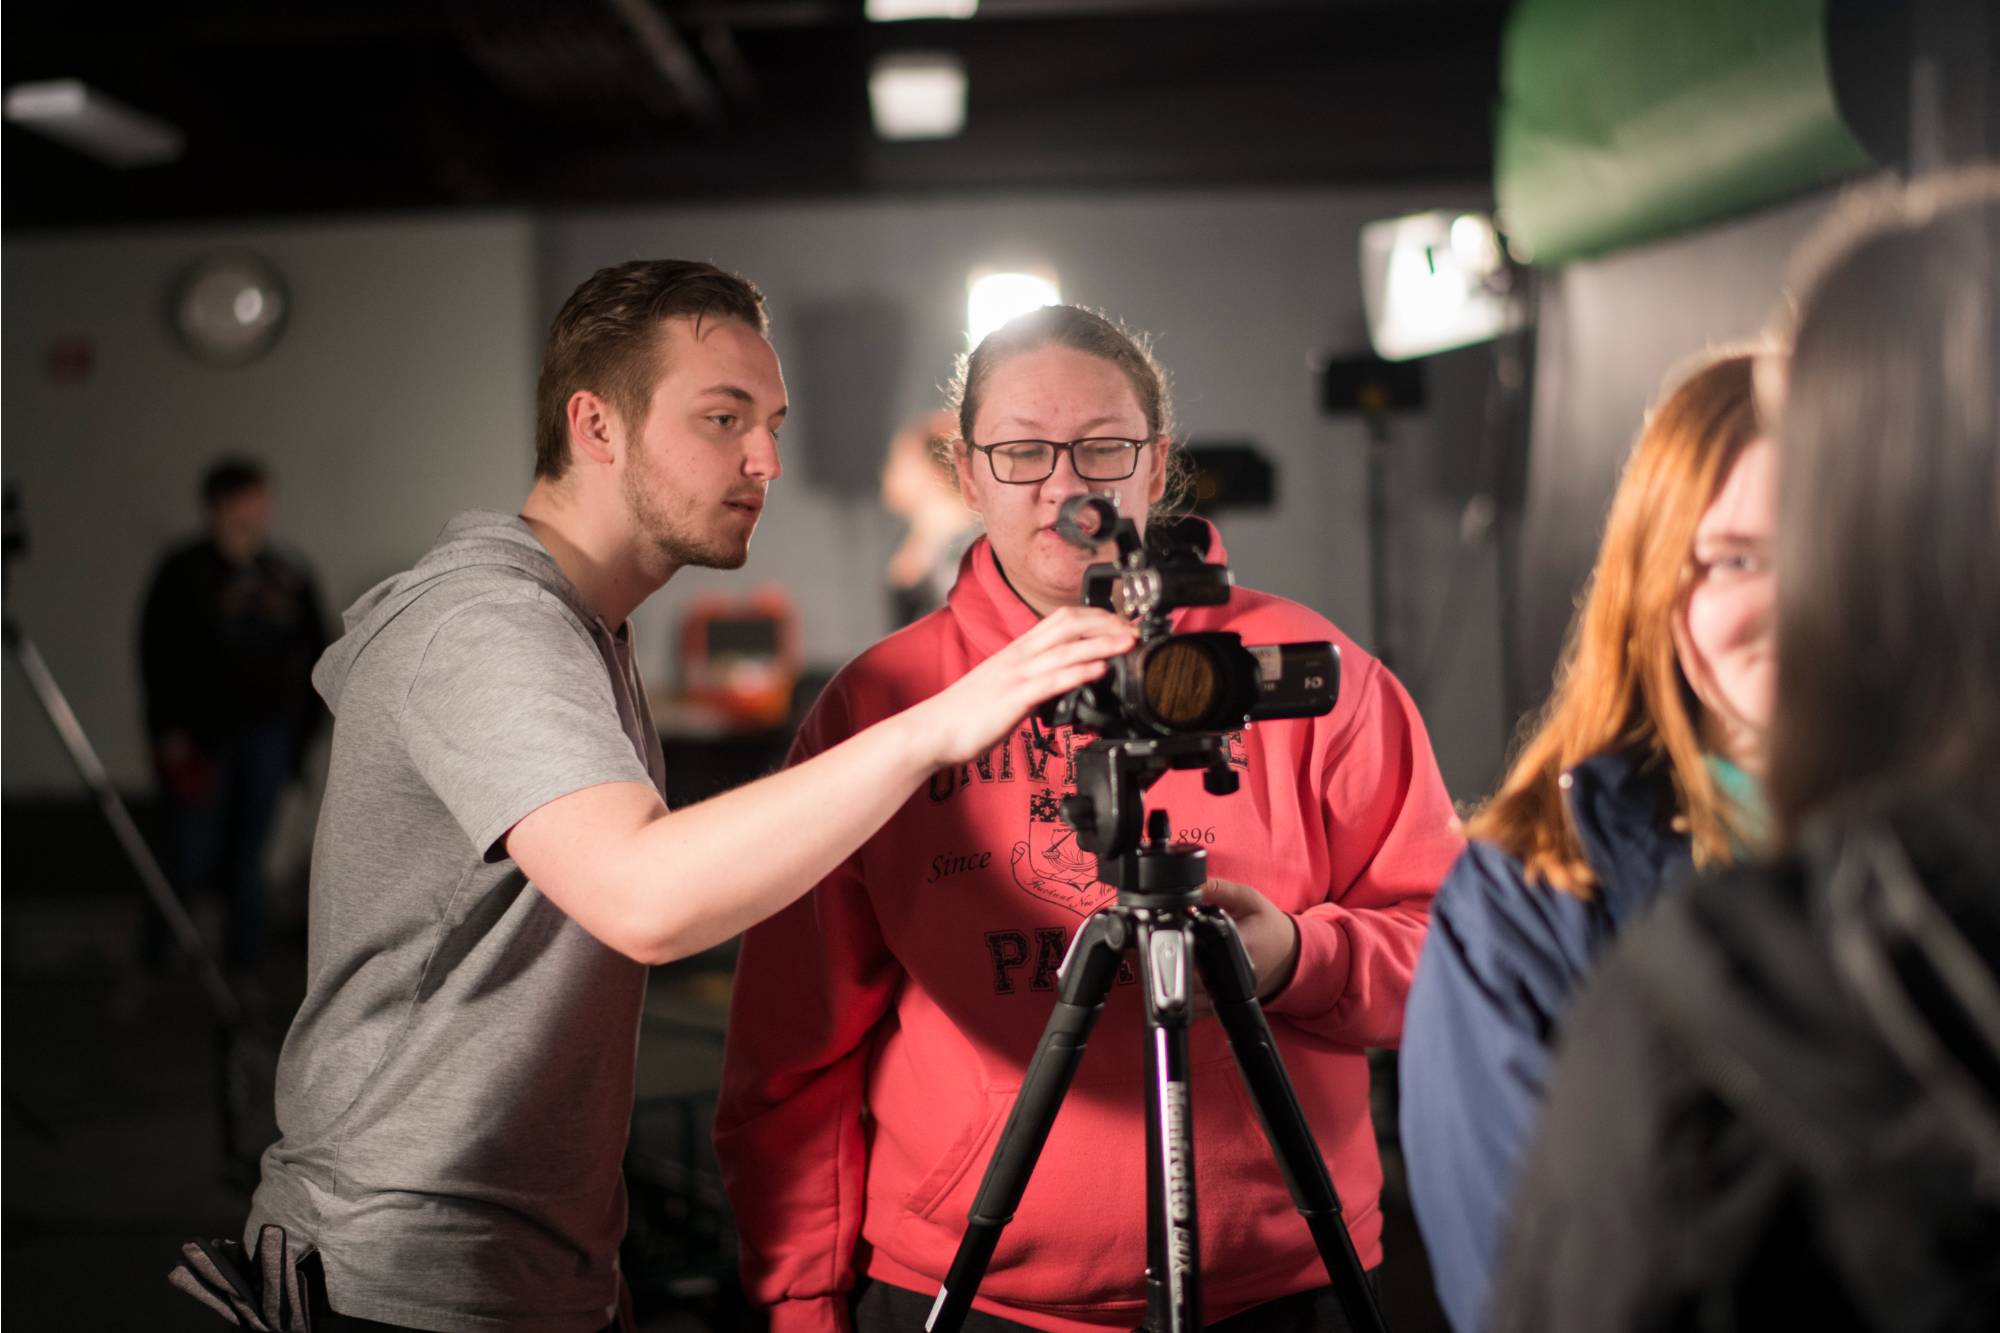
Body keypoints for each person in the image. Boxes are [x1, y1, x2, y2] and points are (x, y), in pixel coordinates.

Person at [233, 262, 1135, 1333]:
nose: (766, 459)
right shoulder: (483, 623)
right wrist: (946, 717)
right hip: (407, 1278)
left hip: (535, 1266)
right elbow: (648, 898)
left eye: (773, 423)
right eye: (722, 417)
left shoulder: (584, 625)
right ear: (596, 425)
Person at [715, 304, 1463, 1333]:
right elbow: (791, 1049)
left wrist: (1294, 957)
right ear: (966, 473)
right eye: (1021, 452)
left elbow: (1451, 965)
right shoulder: (884, 706)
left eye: (1101, 447)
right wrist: (799, 1305)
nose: (1065, 486)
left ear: (1154, 466)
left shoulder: (1312, 679)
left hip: (1279, 1286)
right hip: (969, 1288)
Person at [1491, 173, 2000, 1332]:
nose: (1762, 595)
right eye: (1725, 558)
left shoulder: (1724, 999)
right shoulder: (1543, 893)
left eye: (1779, 546)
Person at [1397, 350, 1776, 1332]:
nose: (1796, 596)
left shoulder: (1948, 845)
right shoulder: (1522, 896)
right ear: (1659, 584)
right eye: (1736, 556)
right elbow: (1528, 1287)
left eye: (1838, 541)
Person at [138, 457, 328, 984]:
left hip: (268, 737)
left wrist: (301, 741)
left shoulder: (285, 572)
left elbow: (317, 654)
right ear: (221, 503)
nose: (260, 510)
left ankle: (242, 967)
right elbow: (158, 657)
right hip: (202, 737)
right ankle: (160, 960)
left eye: (263, 498)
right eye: (249, 498)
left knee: (250, 856)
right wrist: (168, 735)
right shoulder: (184, 573)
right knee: (188, 851)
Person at [881, 407, 980, 626]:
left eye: (901, 461)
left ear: (934, 469)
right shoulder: (920, 539)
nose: (889, 473)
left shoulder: (963, 546)